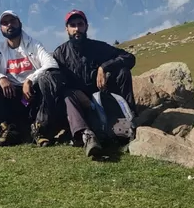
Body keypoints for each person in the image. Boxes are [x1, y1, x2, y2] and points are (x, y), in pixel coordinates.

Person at [52, 9, 136, 157]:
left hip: (103, 99)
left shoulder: (98, 47)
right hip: (78, 104)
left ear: (86, 26)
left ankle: (129, 120)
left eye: (80, 24)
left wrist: (104, 67)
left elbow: (129, 57)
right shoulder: (60, 53)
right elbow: (56, 80)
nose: (77, 29)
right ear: (67, 29)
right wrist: (75, 91)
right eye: (73, 25)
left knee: (123, 71)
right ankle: (87, 135)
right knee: (67, 94)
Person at [0, 10, 63, 147]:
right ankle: (8, 129)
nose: (9, 25)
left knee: (47, 78)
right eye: (5, 23)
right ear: (1, 28)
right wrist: (1, 78)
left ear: (20, 24)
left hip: (31, 96)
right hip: (10, 96)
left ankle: (40, 129)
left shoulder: (34, 45)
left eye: (12, 21)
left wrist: (30, 80)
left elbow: (51, 64)